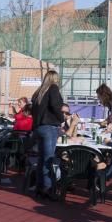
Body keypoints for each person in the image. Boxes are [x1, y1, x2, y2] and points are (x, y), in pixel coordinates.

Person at [30, 70, 65, 199]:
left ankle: (40, 187)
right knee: (48, 159)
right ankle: (48, 188)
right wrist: (62, 119)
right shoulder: (53, 88)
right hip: (49, 127)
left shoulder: (39, 91)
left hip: (39, 127)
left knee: (41, 159)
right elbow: (55, 105)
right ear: (55, 79)